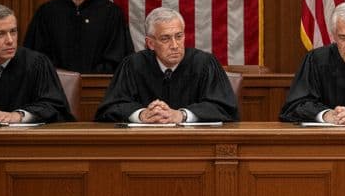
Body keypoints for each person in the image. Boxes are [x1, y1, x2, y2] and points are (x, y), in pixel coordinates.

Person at [95, 7, 238, 123]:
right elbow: (110, 108)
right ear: (150, 43)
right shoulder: (133, 65)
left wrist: (181, 115)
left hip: (195, 144)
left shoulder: (204, 64)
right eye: (165, 39)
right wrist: (142, 115)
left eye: (179, 36)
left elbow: (224, 108)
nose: (175, 45)